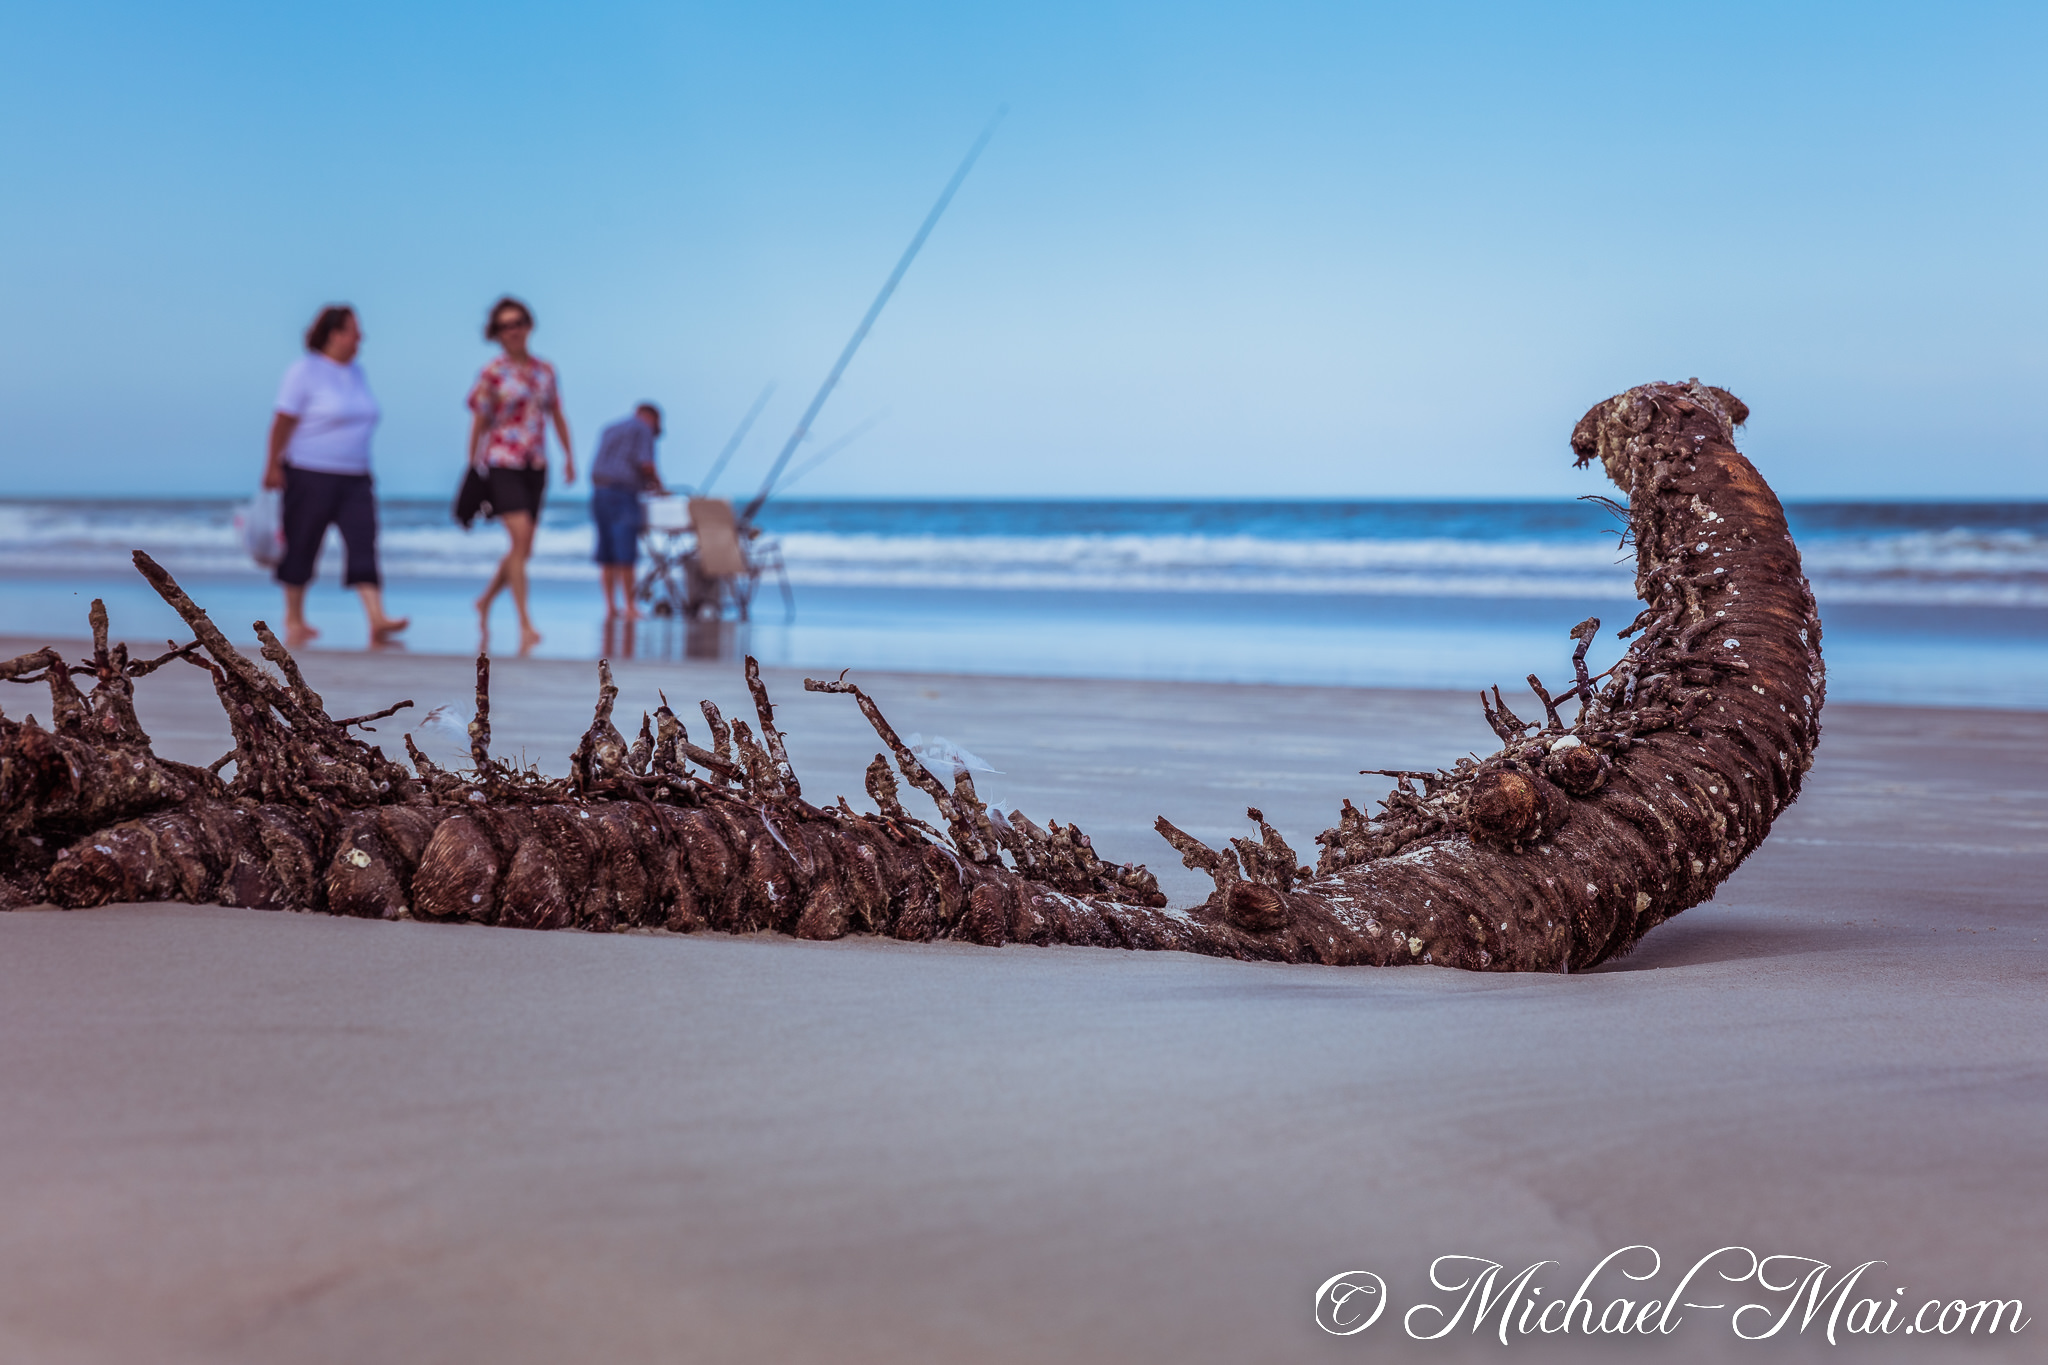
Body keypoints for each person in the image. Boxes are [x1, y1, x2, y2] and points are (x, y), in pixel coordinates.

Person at [263, 304, 408, 647]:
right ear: (333, 333)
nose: (360, 339)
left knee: (364, 542)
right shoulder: (304, 371)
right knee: (302, 543)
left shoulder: (358, 372)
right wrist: (272, 464)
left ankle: (377, 617)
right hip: (308, 472)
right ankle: (294, 618)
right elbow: (283, 420)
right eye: (354, 332)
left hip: (356, 476)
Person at [467, 296, 573, 652]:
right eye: (505, 326)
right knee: (521, 537)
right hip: (501, 462)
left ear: (528, 326)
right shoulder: (492, 373)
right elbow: (479, 421)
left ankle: (484, 601)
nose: (512, 331)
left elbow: (556, 413)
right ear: (497, 333)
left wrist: (569, 455)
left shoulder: (545, 370)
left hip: (536, 463)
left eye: (518, 323)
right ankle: (525, 623)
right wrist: (472, 466)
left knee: (522, 547)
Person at [588, 403, 668, 620]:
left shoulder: (611, 428)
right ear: (653, 418)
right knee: (625, 552)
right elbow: (646, 464)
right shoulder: (643, 428)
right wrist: (660, 488)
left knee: (607, 554)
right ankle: (631, 606)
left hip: (599, 491)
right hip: (623, 493)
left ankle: (610, 606)